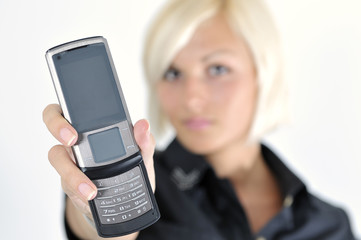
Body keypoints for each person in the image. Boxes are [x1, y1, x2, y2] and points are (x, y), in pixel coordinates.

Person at [43, 0, 356, 239]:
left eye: (217, 69)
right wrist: (96, 217)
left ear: (264, 74)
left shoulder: (331, 224)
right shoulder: (141, 188)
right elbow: (91, 229)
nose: (191, 98)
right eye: (173, 72)